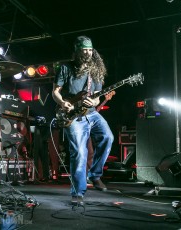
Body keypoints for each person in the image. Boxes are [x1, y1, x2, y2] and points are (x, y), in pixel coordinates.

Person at [52, 35, 114, 206]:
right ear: (77, 50)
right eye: (83, 49)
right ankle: (78, 192)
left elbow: (97, 97)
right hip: (74, 116)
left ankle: (95, 175)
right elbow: (55, 92)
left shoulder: (96, 70)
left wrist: (94, 102)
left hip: (92, 113)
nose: (87, 52)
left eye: (89, 49)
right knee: (79, 153)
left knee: (108, 137)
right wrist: (62, 102)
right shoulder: (65, 68)